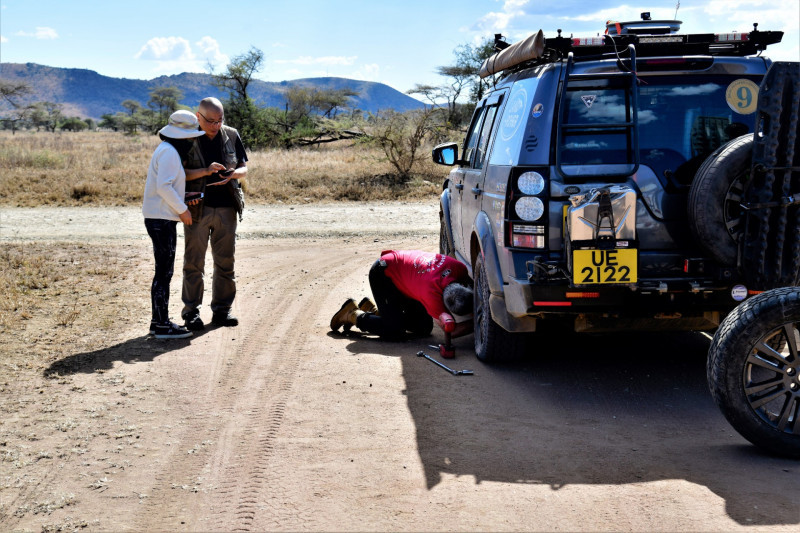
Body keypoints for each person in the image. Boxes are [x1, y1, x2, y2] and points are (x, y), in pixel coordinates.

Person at [181, 97, 248, 331]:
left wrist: (233, 175)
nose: (216, 125)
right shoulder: (187, 137)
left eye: (220, 120)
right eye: (210, 121)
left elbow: (244, 167)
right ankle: (191, 312)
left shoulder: (231, 134)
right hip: (196, 209)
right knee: (194, 263)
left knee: (225, 262)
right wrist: (205, 171)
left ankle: (222, 310)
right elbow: (179, 173)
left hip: (227, 207)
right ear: (198, 117)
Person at [142, 110, 205, 339]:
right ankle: (161, 325)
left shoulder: (166, 149)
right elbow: (164, 187)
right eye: (191, 135)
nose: (193, 139)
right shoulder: (169, 152)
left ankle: (158, 322)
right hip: (161, 219)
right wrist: (183, 209)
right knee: (164, 273)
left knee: (163, 272)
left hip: (159, 216)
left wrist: (183, 200)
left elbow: (166, 186)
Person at [330, 250, 474, 340]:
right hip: (384, 273)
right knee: (393, 330)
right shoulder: (432, 295)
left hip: (407, 277)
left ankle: (376, 311)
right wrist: (479, 323)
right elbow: (450, 331)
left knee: (423, 327)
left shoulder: (459, 268)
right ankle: (353, 314)